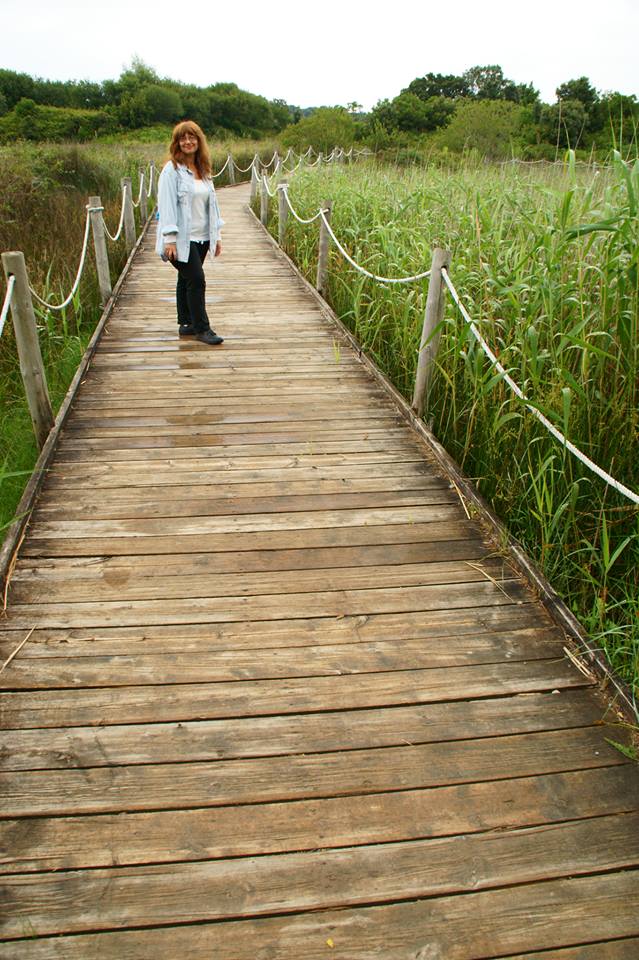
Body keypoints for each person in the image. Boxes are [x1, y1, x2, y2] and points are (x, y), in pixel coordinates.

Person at [155, 120, 224, 345]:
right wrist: (170, 239)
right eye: (182, 138)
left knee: (186, 278)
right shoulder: (171, 171)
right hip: (182, 238)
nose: (188, 141)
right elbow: (165, 207)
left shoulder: (203, 169)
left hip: (202, 236)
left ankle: (186, 322)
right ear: (177, 143)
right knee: (197, 279)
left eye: (192, 137)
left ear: (198, 140)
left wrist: (217, 236)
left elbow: (212, 206)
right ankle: (202, 329)